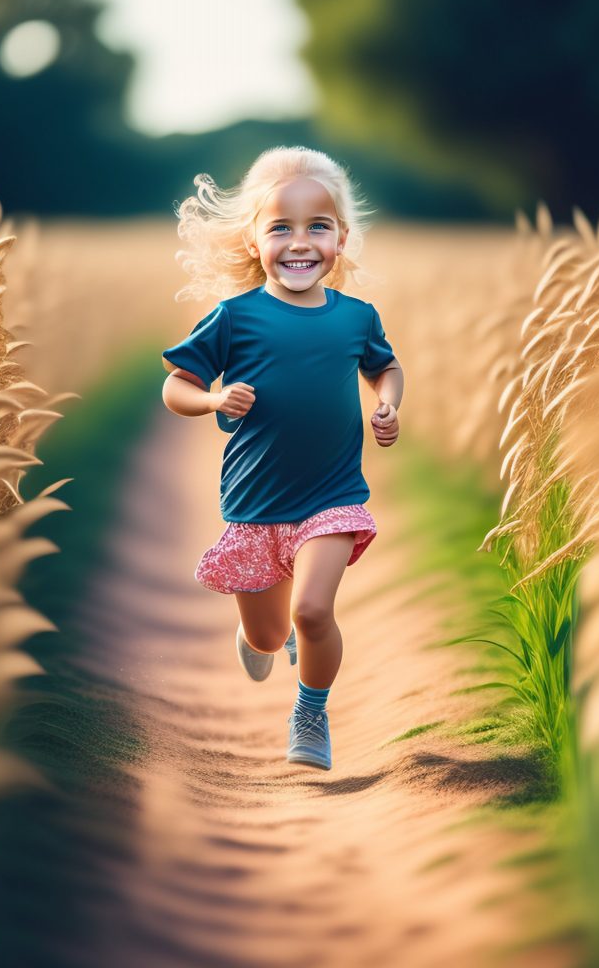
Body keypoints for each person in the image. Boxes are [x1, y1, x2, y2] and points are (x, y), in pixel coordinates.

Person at [161, 146, 404, 771]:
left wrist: (388, 405)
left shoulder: (356, 318)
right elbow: (175, 386)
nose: (301, 243)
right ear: (254, 239)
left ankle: (311, 711)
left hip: (332, 498)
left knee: (312, 611)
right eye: (282, 228)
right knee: (270, 633)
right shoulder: (235, 319)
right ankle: (264, 640)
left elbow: (386, 367)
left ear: (341, 238)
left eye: (318, 226)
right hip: (255, 506)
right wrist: (213, 396)